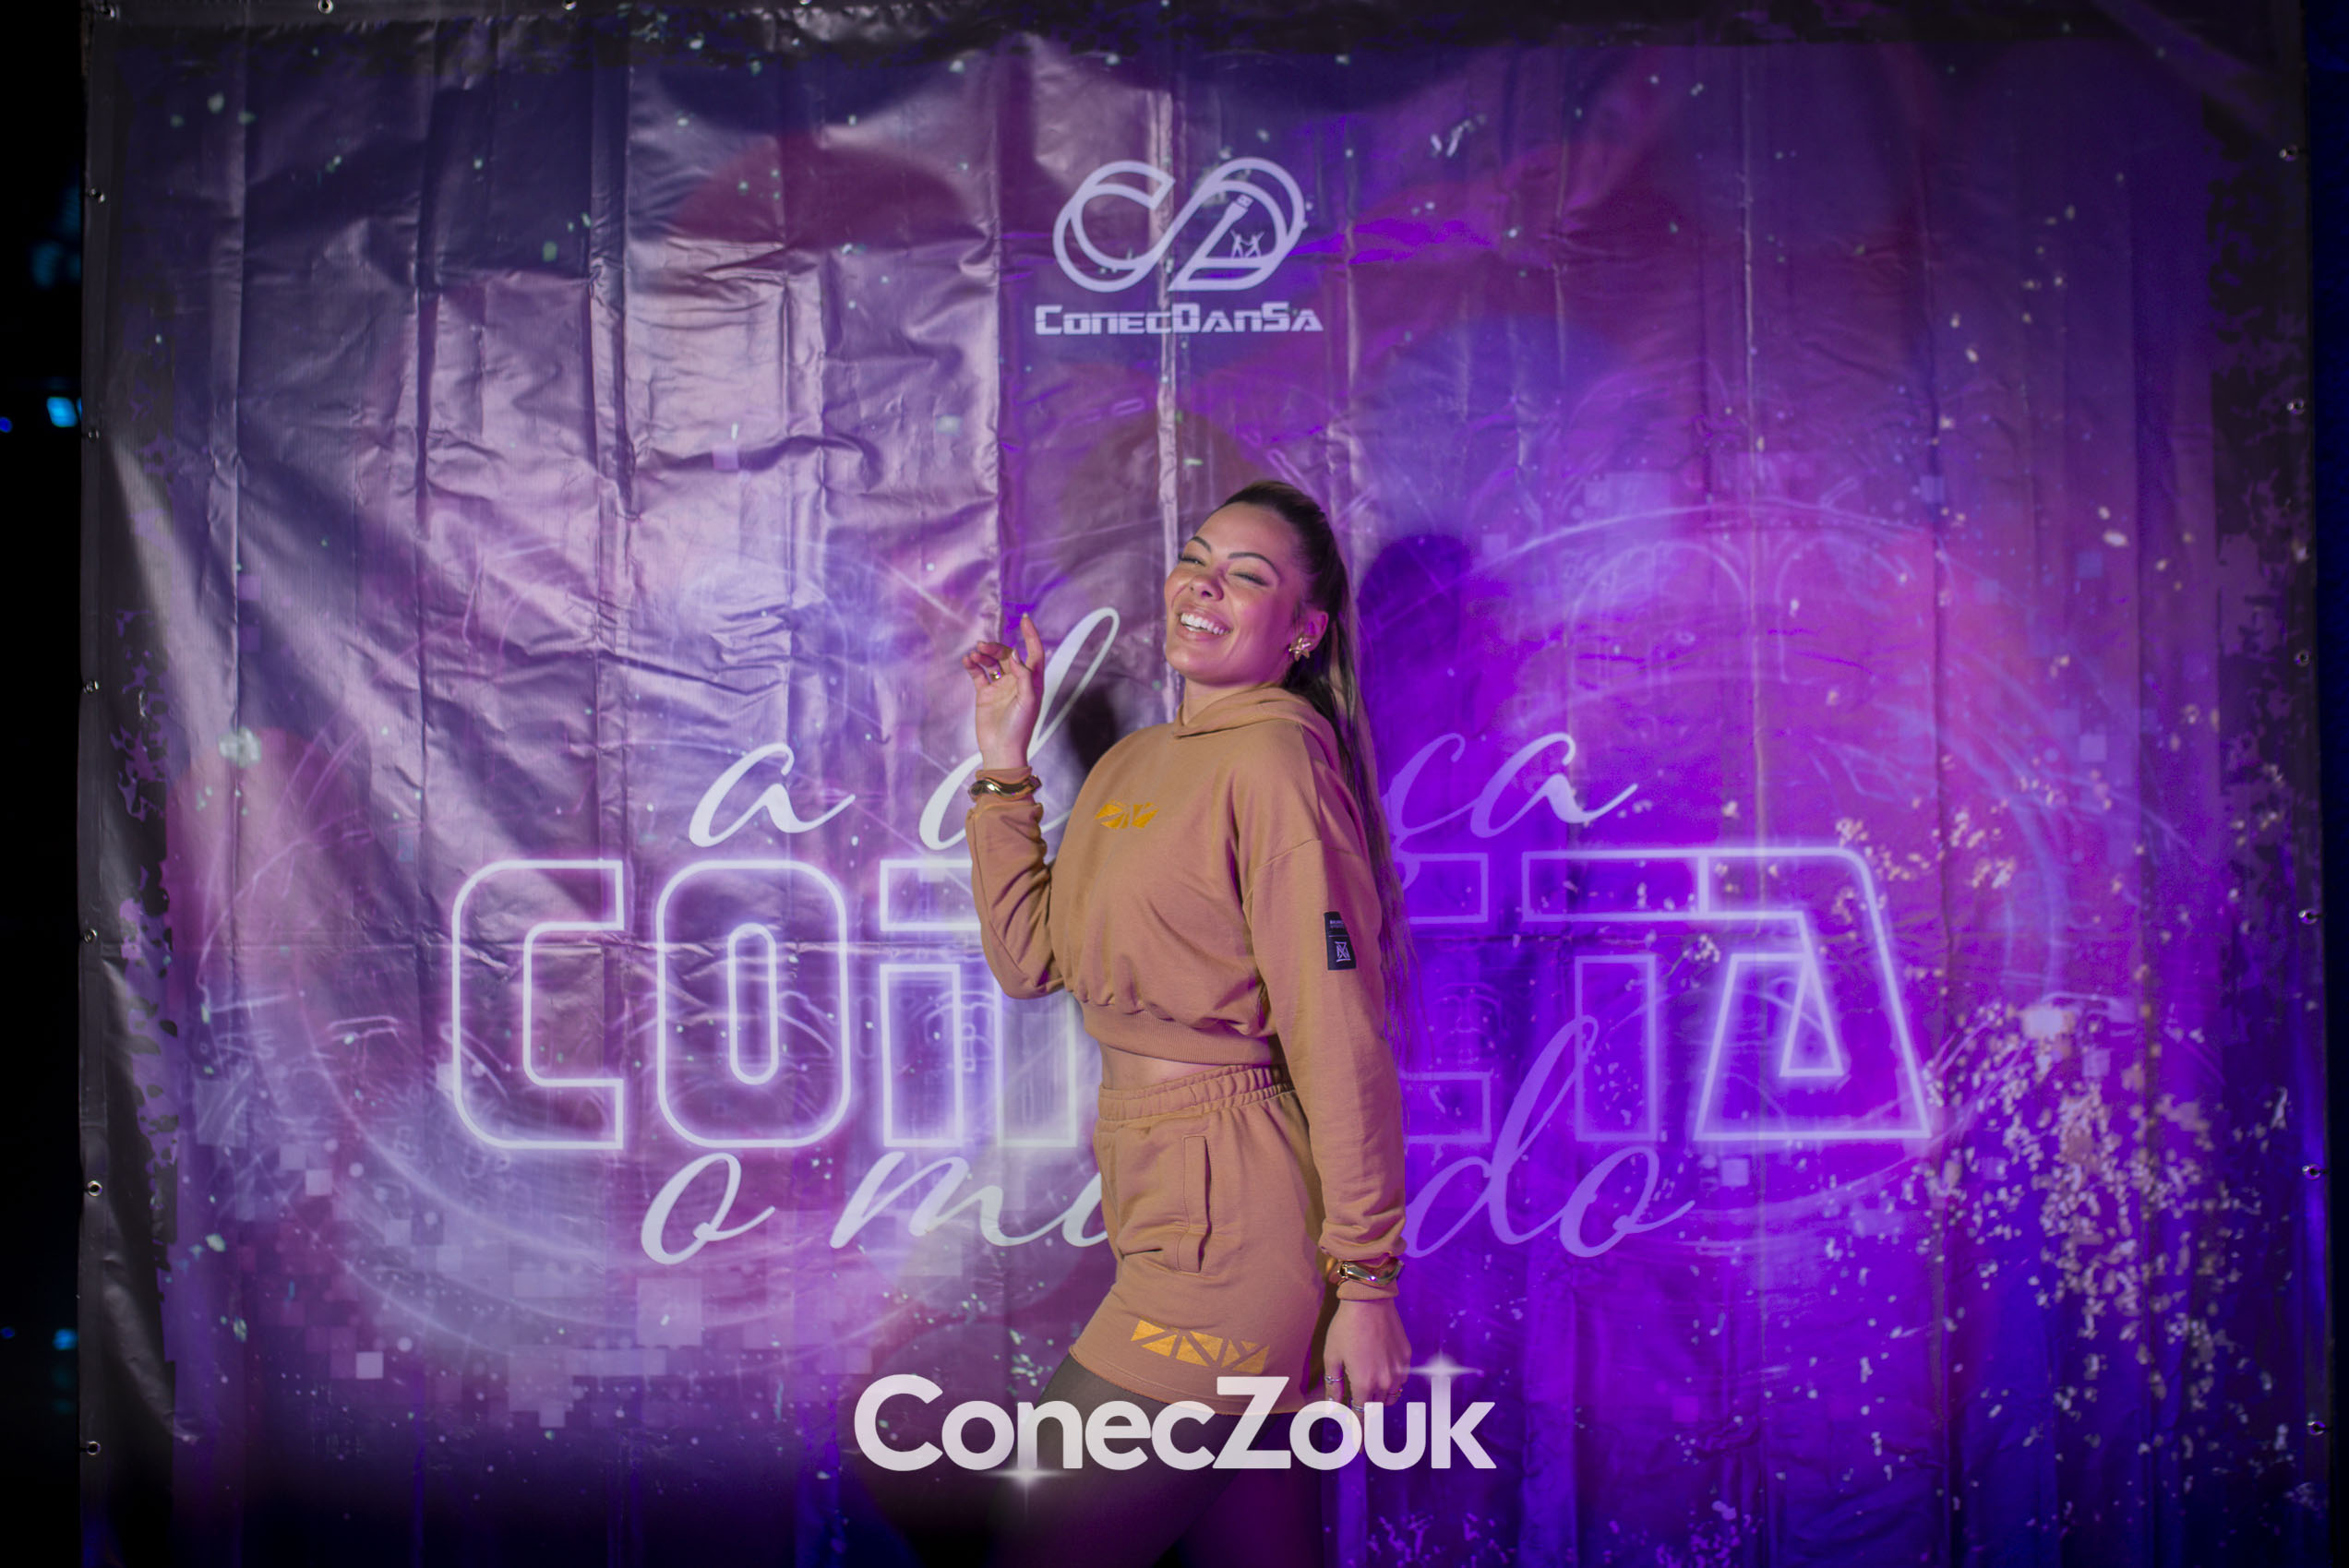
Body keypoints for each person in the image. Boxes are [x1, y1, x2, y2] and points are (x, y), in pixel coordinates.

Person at [959, 480, 1412, 1567]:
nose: (1203, 585)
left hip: (1235, 1226)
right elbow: (1029, 961)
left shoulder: (1276, 759)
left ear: (1303, 631)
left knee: (1043, 1542)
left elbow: (1337, 1031)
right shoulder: (1136, 762)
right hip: (1156, 1200)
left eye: (1246, 576)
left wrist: (1367, 1280)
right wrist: (1005, 764)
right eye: (1197, 559)